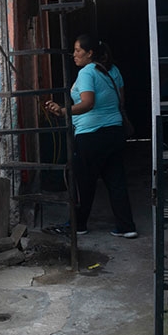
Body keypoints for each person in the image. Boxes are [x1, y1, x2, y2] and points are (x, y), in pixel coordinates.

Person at [45, 34, 137, 238]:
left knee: (82, 183)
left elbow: (88, 103)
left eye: (78, 50)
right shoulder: (113, 70)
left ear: (90, 53)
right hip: (114, 132)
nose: (74, 54)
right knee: (116, 181)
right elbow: (120, 101)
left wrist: (63, 111)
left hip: (90, 135)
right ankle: (126, 226)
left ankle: (78, 225)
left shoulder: (87, 72)